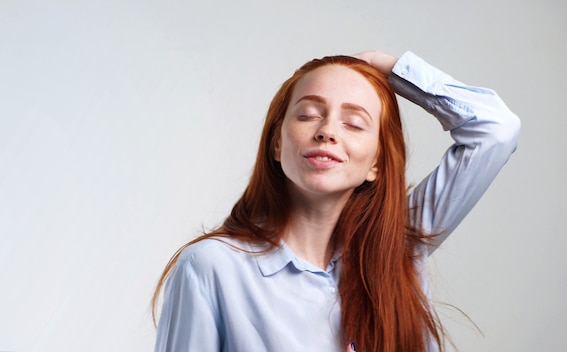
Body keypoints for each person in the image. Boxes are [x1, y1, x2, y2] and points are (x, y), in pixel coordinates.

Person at [151, 50, 520, 352]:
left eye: (354, 123)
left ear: (376, 162)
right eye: (308, 115)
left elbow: (495, 129)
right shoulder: (212, 267)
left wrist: (389, 68)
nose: (327, 131)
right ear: (277, 144)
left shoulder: (399, 244)